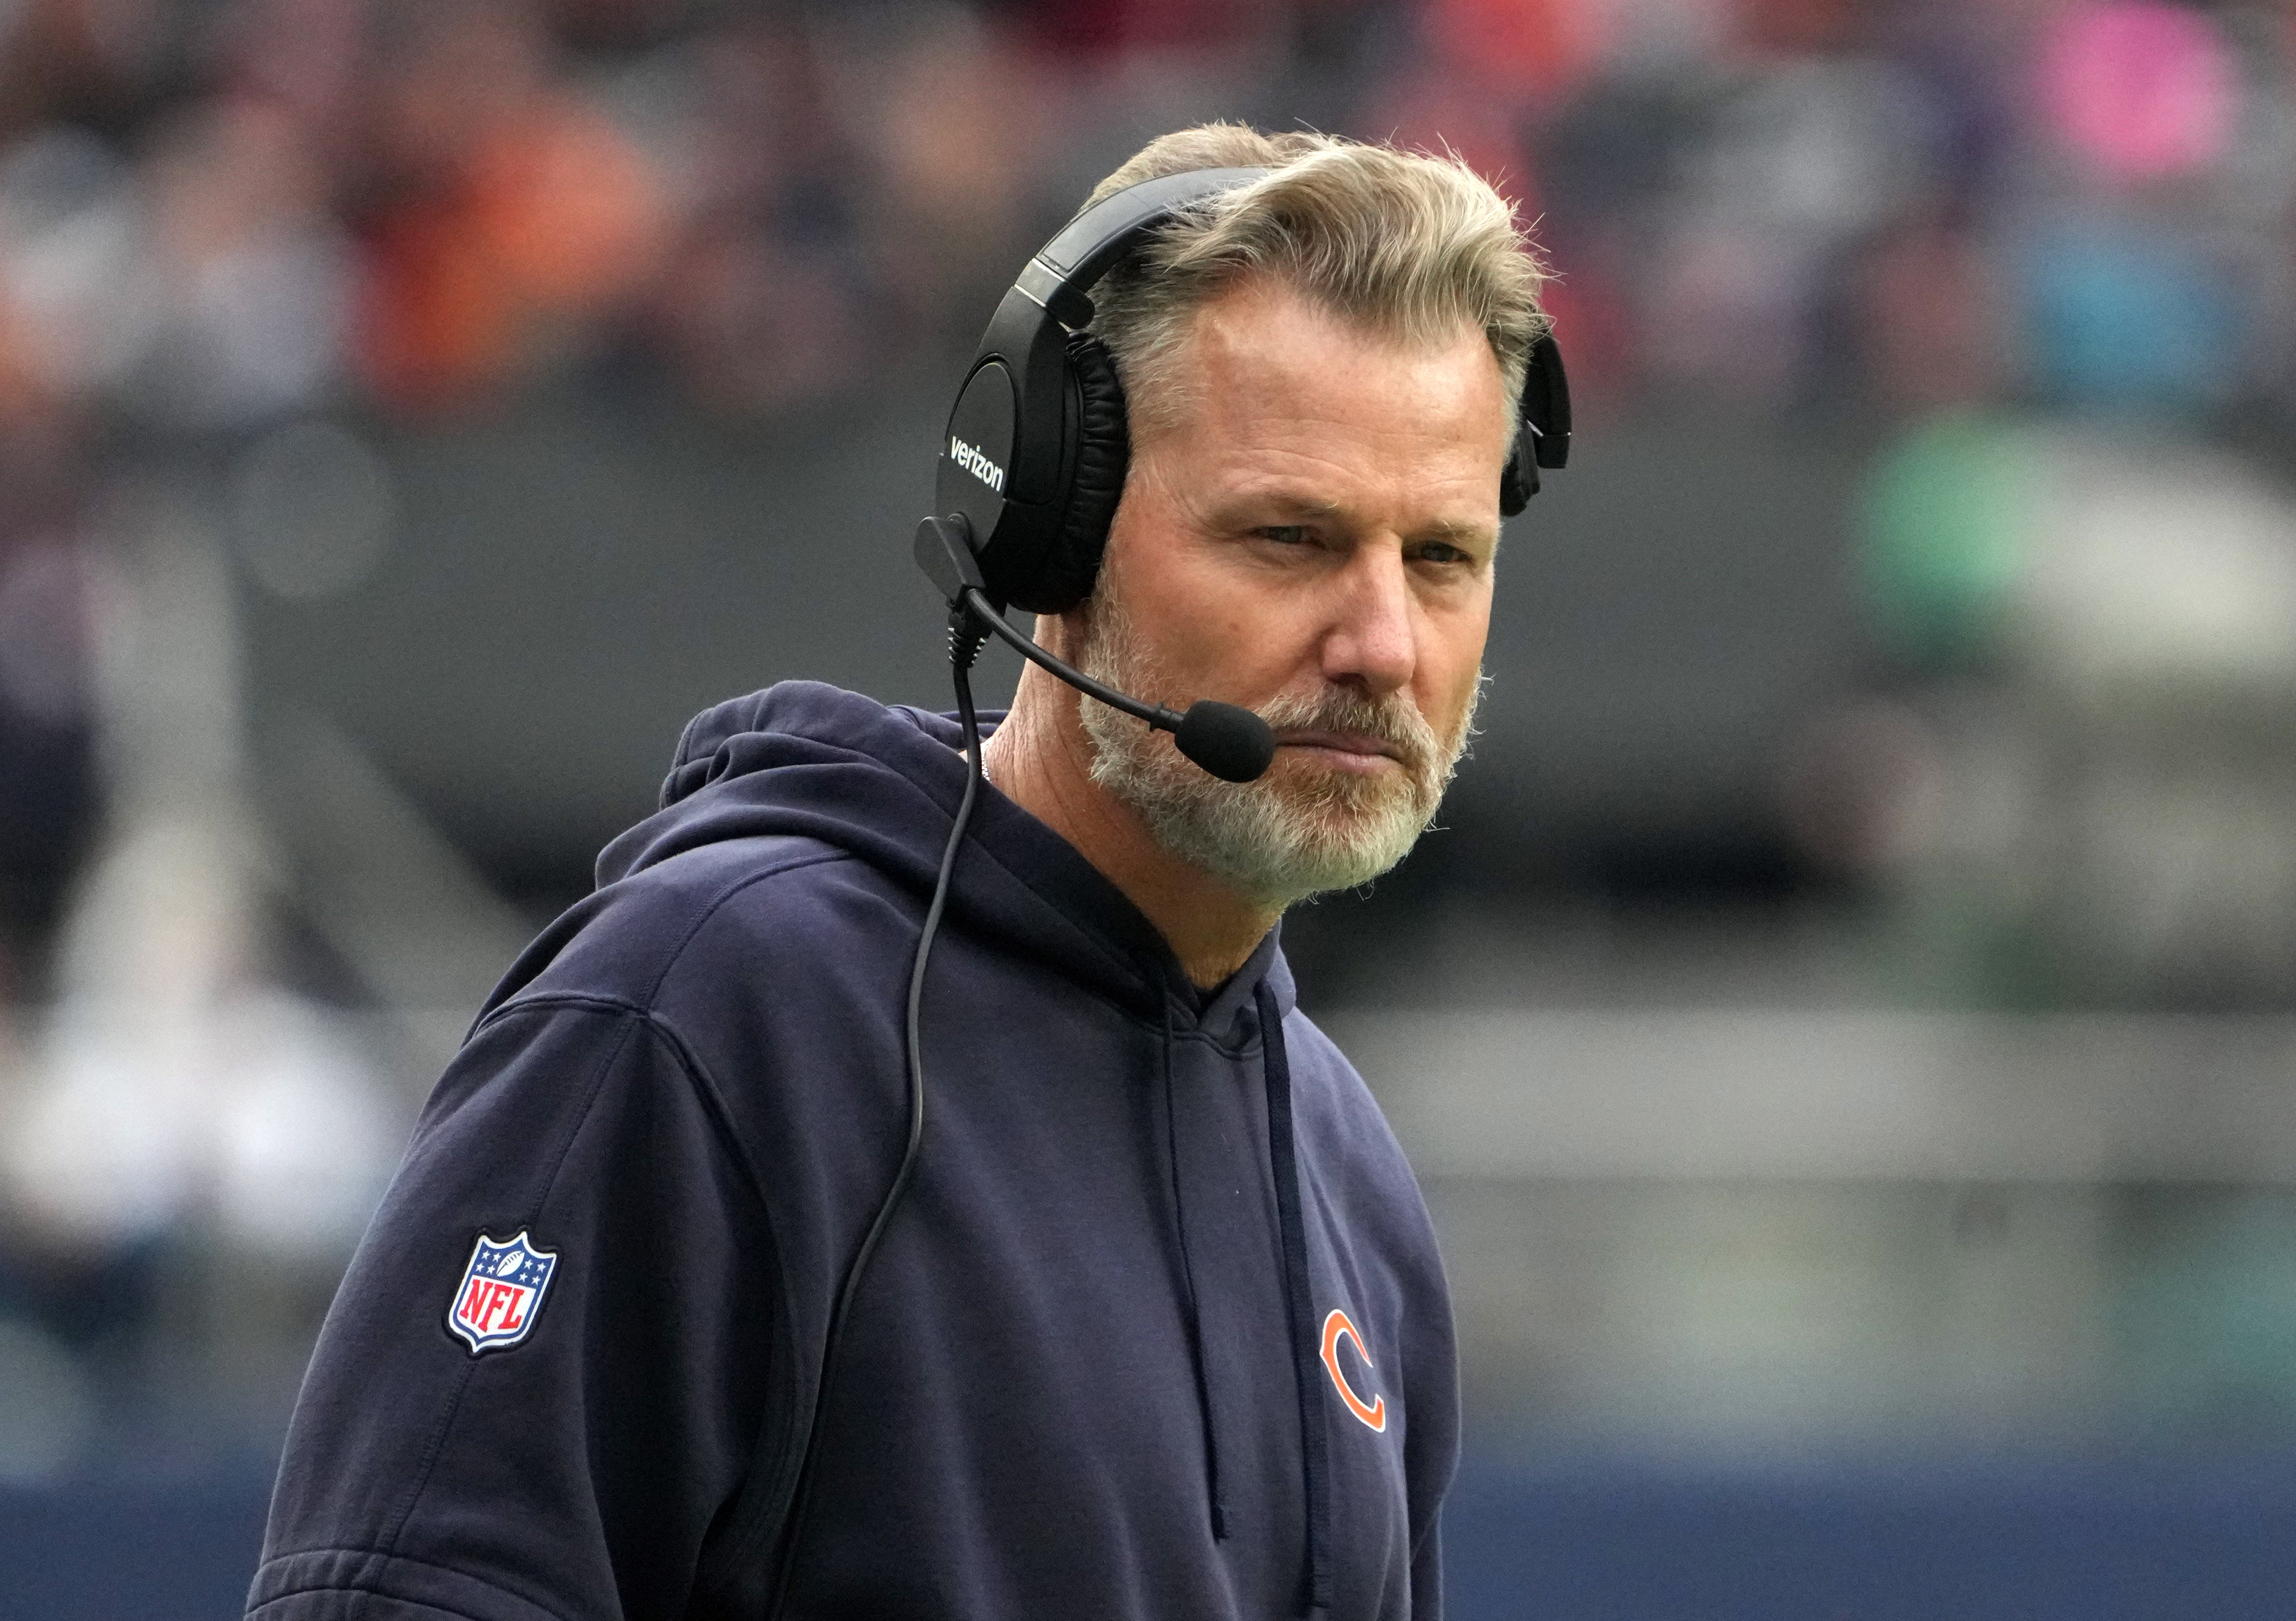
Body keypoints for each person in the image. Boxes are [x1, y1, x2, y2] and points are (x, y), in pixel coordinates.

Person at [248, 123, 1553, 1621]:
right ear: (1049, 534)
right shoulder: (701, 1013)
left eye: (1442, 557)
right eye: (1289, 536)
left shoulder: (1348, 1172)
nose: (1385, 642)